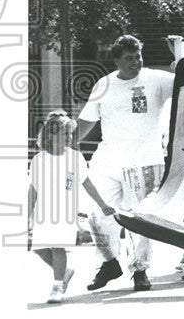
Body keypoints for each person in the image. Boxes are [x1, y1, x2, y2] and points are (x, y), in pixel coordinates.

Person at [77, 35, 175, 293]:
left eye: (138, 56)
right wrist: (66, 144)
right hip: (107, 162)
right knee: (98, 214)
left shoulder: (156, 80)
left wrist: (179, 54)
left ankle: (140, 270)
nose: (136, 62)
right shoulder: (103, 85)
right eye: (129, 58)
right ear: (117, 60)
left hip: (144, 163)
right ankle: (109, 263)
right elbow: (88, 120)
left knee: (140, 220)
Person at [28, 111, 116, 303]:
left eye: (70, 134)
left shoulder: (75, 158)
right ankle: (64, 271)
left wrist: (103, 205)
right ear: (50, 136)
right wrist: (27, 214)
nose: (68, 138)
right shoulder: (38, 160)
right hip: (43, 212)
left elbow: (87, 183)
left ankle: (57, 286)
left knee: (58, 247)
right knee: (39, 248)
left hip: (65, 211)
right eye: (64, 134)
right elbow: (32, 190)